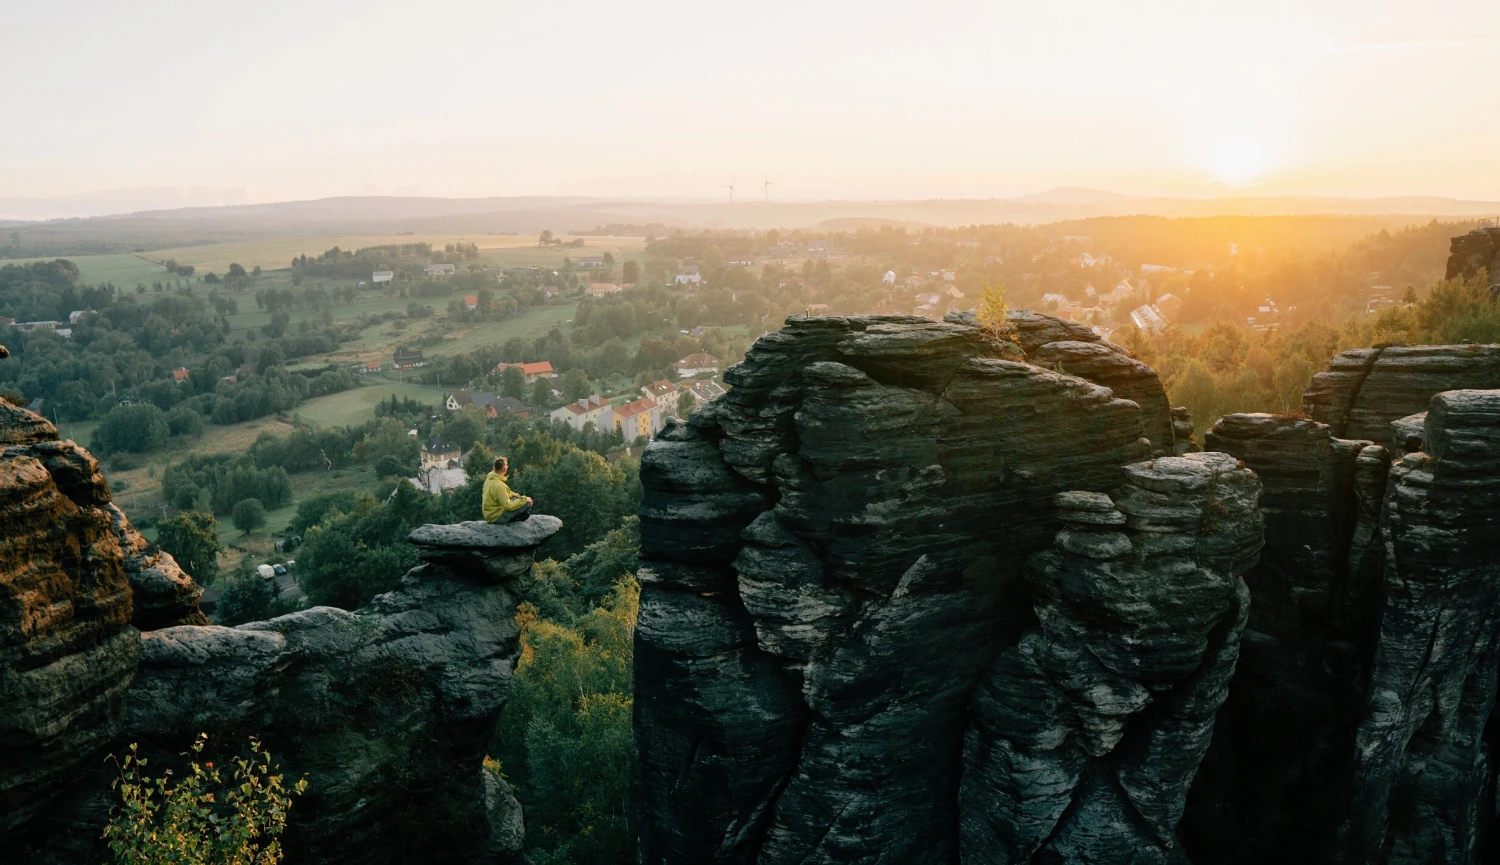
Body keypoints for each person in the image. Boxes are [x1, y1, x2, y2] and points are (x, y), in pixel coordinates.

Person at [482, 456, 532, 523]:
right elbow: (508, 506)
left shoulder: (489, 479)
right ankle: (513, 519)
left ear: (494, 467)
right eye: (507, 465)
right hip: (496, 517)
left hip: (489, 514)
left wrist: (513, 494)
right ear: (504, 469)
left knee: (515, 498)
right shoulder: (500, 485)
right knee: (527, 503)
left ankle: (517, 515)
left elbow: (501, 493)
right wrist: (525, 499)